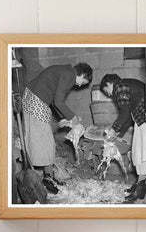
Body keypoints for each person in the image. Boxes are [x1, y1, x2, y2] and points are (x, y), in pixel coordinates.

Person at [22, 62, 93, 192]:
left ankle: (49, 176)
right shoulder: (68, 75)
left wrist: (64, 118)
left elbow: (55, 100)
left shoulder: (63, 71)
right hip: (36, 101)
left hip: (32, 99)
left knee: (44, 140)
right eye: (83, 82)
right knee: (46, 141)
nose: (79, 85)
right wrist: (74, 119)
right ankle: (47, 178)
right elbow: (59, 101)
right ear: (82, 74)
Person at [100, 74, 146, 203]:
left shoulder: (119, 86)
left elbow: (124, 113)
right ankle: (140, 186)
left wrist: (113, 130)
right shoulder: (127, 84)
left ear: (109, 84)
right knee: (139, 153)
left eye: (105, 90)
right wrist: (118, 134)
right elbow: (128, 116)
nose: (108, 94)